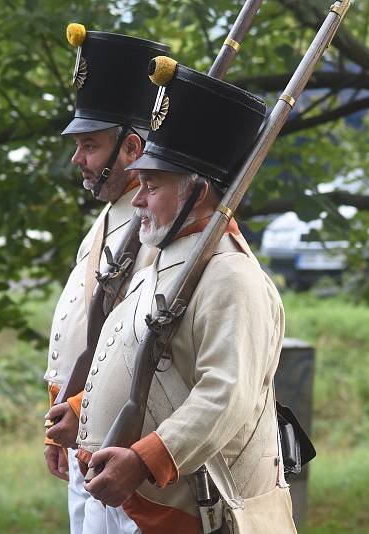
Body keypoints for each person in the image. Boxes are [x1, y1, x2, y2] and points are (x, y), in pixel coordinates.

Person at [74, 57, 296, 533]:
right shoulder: (161, 256)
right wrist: (82, 412)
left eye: (152, 184)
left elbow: (226, 395)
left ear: (197, 192)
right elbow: (131, 356)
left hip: (178, 509)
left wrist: (144, 459)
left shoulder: (231, 277)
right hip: (128, 500)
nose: (137, 197)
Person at [42, 24, 169, 534]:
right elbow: (87, 332)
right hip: (83, 429)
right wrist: (60, 413)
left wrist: (75, 408)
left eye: (90, 146)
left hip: (121, 438)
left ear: (132, 148)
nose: (78, 159)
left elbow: (138, 341)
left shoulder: (156, 226)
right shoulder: (112, 216)